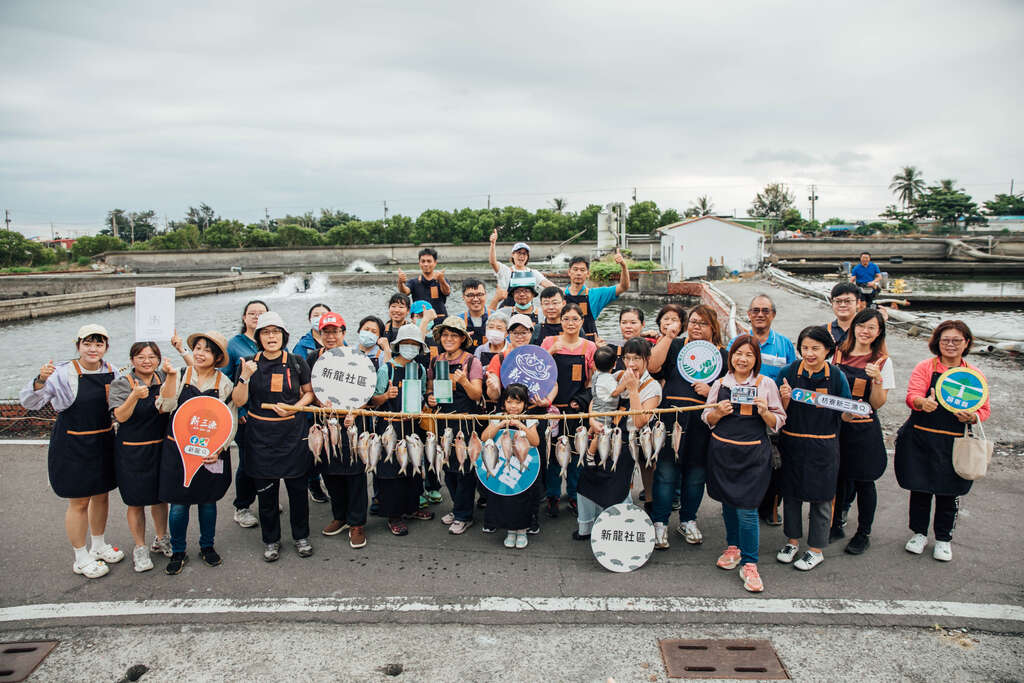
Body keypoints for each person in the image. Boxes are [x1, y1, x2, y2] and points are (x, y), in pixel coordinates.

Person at [20, 324, 123, 579]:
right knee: (78, 501)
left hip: (103, 441)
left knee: (102, 495)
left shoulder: (113, 371)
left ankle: (98, 545)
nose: (93, 349)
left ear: (106, 347)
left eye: (99, 344)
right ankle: (80, 556)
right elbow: (30, 403)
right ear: (78, 345)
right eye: (87, 343)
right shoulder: (62, 373)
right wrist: (40, 380)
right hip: (72, 444)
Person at [895, 320, 990, 562]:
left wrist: (972, 416)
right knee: (920, 488)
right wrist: (921, 403)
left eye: (956, 340)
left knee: (950, 492)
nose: (950, 345)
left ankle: (944, 538)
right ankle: (918, 533)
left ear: (966, 343)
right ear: (937, 341)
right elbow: (912, 395)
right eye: (945, 340)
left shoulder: (973, 375)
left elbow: (984, 409)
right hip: (921, 437)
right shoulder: (926, 367)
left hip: (954, 442)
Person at [703, 335, 786, 593]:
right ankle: (733, 546)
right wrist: (718, 412)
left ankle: (750, 562)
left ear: (756, 360)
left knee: (748, 509)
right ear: (731, 357)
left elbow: (780, 420)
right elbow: (706, 416)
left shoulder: (766, 384)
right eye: (738, 353)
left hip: (752, 455)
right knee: (728, 501)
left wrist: (765, 413)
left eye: (749, 355)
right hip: (723, 452)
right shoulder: (720, 384)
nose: (742, 359)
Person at [231, 312, 316, 562]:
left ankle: (301, 536)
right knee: (267, 495)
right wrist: (245, 376)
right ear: (258, 336)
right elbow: (238, 401)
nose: (271, 337)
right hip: (261, 436)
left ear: (284, 335)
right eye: (266, 332)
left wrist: (295, 406)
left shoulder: (297, 361)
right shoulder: (248, 361)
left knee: (298, 491)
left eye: (276, 332)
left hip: (293, 433)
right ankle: (271, 540)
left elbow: (309, 393)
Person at [648, 304, 728, 548]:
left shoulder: (722, 354)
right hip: (670, 418)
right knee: (665, 473)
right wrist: (668, 335)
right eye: (692, 321)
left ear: (713, 327)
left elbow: (730, 387)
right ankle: (659, 523)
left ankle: (688, 520)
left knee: (695, 475)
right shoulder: (675, 346)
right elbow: (652, 367)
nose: (696, 327)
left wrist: (711, 390)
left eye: (702, 323)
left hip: (702, 422)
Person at [776, 325, 854, 572]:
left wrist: (853, 413)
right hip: (792, 441)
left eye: (815, 348)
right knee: (791, 495)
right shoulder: (788, 372)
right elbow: (777, 410)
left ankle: (816, 549)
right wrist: (785, 397)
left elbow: (845, 412)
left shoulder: (837, 376)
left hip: (824, 444)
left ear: (828, 350)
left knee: (822, 498)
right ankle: (792, 542)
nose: (809, 353)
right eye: (805, 348)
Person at [156, 331, 236, 575]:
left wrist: (219, 449)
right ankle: (178, 550)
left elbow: (229, 420)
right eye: (198, 348)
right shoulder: (180, 374)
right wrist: (169, 378)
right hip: (179, 450)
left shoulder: (224, 383)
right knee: (178, 504)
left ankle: (207, 546)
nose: (200, 353)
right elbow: (165, 406)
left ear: (217, 357)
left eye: (207, 350)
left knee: (207, 502)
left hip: (208, 451)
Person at [575, 338, 661, 539]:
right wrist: (592, 419)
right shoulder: (617, 375)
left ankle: (620, 528)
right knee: (588, 479)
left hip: (626, 442)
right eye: (628, 358)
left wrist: (632, 389)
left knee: (617, 487)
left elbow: (640, 421)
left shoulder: (652, 387)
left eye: (637, 358)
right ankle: (587, 527)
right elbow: (596, 400)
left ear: (647, 359)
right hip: (602, 433)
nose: (631, 363)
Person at [832, 309, 895, 554]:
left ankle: (863, 533)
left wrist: (877, 380)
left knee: (864, 481)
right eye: (861, 325)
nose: (865, 331)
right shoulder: (838, 354)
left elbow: (877, 404)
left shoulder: (882, 361)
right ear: (854, 327)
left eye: (872, 327)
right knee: (839, 478)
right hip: (838, 427)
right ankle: (836, 523)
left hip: (864, 430)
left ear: (879, 333)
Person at [109, 340, 174, 572]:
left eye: (151, 356)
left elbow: (170, 406)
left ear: (158, 359)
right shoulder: (121, 384)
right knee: (135, 501)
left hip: (160, 447)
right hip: (131, 450)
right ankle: (139, 547)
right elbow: (121, 416)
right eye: (141, 357)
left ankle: (161, 537)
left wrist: (172, 376)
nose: (147, 361)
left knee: (160, 497)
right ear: (132, 360)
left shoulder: (164, 379)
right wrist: (134, 396)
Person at [734, 294, 797, 527]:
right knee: (746, 463)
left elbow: (792, 377)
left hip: (772, 412)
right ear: (749, 315)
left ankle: (770, 507)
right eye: (756, 310)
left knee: (774, 465)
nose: (760, 314)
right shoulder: (737, 342)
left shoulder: (784, 344)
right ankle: (745, 504)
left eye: (765, 310)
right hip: (742, 414)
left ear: (773, 314)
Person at [308, 313, 370, 549]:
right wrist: (317, 403)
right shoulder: (313, 357)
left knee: (354, 472)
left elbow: (367, 391)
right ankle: (340, 515)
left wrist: (356, 410)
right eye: (326, 332)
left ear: (344, 333)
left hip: (351, 423)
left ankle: (357, 522)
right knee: (329, 470)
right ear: (319, 334)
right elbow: (308, 389)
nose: (330, 336)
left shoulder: (357, 356)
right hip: (324, 423)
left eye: (335, 331)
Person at [370, 324, 434, 536]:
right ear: (399, 345)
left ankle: (412, 507)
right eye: (407, 343)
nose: (410, 347)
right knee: (390, 470)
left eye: (415, 344)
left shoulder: (420, 369)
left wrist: (429, 401)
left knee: (412, 469)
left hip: (412, 425)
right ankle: (393, 515)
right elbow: (373, 401)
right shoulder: (385, 368)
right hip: (388, 425)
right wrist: (386, 396)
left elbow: (423, 394)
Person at [427, 316, 485, 535]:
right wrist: (430, 398)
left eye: (454, 335)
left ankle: (463, 515)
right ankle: (458, 507)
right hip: (442, 421)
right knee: (447, 467)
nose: (448, 339)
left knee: (465, 469)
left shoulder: (472, 361)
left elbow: (477, 394)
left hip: (465, 422)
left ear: (462, 338)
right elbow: (430, 388)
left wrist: (463, 382)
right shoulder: (435, 361)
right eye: (445, 335)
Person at [541, 303, 598, 517]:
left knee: (576, 454)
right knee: (553, 454)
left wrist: (582, 401)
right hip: (552, 408)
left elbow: (592, 381)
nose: (571, 323)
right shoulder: (549, 342)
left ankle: (575, 495)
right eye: (566, 319)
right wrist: (549, 353)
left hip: (576, 409)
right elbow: (538, 371)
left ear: (582, 321)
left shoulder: (589, 347)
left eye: (575, 319)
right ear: (560, 321)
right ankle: (553, 495)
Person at [480, 383, 542, 549]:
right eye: (509, 402)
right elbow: (484, 437)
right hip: (502, 465)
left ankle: (522, 530)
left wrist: (521, 425)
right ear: (503, 403)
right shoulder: (497, 416)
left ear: (525, 404)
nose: (513, 406)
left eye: (518, 402)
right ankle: (510, 531)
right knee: (505, 497)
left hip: (522, 467)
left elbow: (535, 441)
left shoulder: (529, 419)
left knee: (522, 498)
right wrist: (499, 424)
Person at [226, 300, 267, 530]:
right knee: (247, 460)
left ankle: (264, 496)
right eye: (252, 313)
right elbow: (225, 379)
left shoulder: (271, 341)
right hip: (245, 414)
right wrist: (239, 409)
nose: (256, 317)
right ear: (244, 318)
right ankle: (242, 506)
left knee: (265, 458)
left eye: (261, 313)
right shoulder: (234, 345)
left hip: (268, 413)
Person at [563, 251, 630, 344]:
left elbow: (623, 287)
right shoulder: (560, 295)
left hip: (589, 345)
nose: (578, 273)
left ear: (588, 274)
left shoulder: (596, 294)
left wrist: (623, 266)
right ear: (569, 272)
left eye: (582, 270)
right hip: (564, 344)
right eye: (575, 269)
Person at [488, 229, 555, 309]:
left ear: (527, 257)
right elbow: (493, 262)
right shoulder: (506, 271)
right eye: (519, 253)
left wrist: (567, 291)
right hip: (508, 309)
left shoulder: (533, 273)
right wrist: (493, 243)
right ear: (513, 255)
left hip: (527, 310)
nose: (521, 256)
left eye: (524, 254)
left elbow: (549, 285)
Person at [585, 346, 620, 459]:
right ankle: (590, 454)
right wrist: (625, 385)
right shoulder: (608, 378)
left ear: (594, 364)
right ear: (614, 364)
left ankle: (588, 435)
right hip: (605, 409)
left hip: (596, 404)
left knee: (595, 427)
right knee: (600, 433)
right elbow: (614, 392)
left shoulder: (596, 374)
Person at [398, 247, 450, 317]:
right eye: (423, 261)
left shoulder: (442, 280)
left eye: (429, 261)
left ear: (435, 263)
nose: (426, 264)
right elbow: (404, 292)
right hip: (420, 321)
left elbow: (446, 292)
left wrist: (441, 280)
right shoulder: (414, 282)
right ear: (419, 263)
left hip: (440, 320)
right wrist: (400, 282)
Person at [475, 311, 510, 414]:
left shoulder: (511, 350)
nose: (494, 331)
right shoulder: (479, 350)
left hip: (508, 402)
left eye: (499, 328)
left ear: (506, 333)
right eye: (491, 327)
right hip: (485, 401)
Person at [455, 278, 490, 350]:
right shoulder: (457, 322)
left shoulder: (497, 318)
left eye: (480, 294)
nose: (476, 299)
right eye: (470, 295)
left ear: (486, 295)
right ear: (463, 297)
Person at [827, 283, 861, 347]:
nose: (842, 305)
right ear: (832, 303)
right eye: (838, 301)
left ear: (858, 303)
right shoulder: (824, 331)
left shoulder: (865, 331)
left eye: (848, 301)